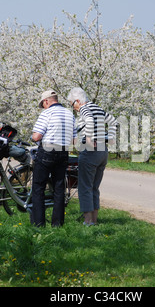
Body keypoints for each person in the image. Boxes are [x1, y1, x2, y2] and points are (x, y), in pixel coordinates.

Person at [67, 87, 117, 226]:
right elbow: (113, 121)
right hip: (103, 151)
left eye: (72, 104)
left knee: (85, 187)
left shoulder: (84, 108)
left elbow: (88, 119)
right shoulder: (97, 108)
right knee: (94, 187)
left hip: (91, 152)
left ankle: (88, 221)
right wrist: (111, 138)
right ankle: (94, 220)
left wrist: (89, 141)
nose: (74, 108)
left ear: (78, 101)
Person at [31, 90, 76, 227]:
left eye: (43, 104)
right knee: (59, 188)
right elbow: (74, 140)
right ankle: (57, 224)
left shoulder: (47, 113)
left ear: (46, 101)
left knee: (38, 187)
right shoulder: (70, 114)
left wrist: (33, 137)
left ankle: (38, 224)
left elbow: (36, 137)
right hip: (63, 152)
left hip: (47, 151)